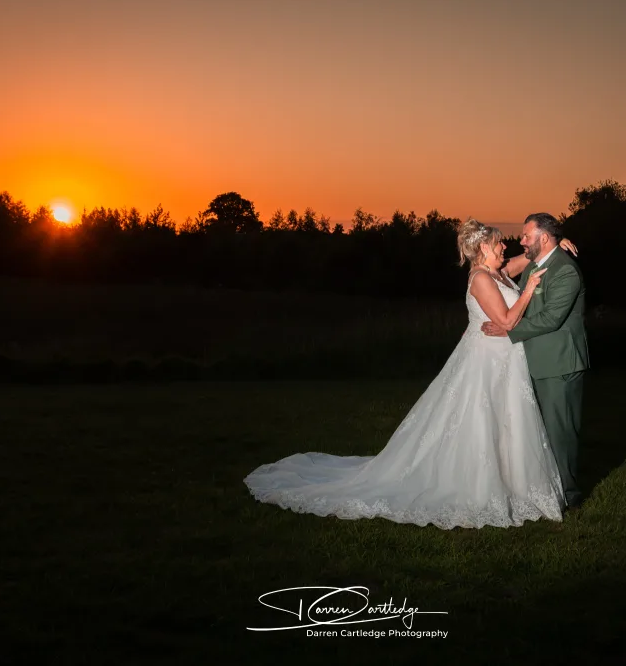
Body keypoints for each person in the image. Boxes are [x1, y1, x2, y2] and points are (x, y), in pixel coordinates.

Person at [244, 218, 578, 529]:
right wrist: (529, 289)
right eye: (498, 243)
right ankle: (477, 485)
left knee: (507, 423)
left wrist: (555, 245)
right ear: (483, 248)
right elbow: (506, 321)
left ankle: (511, 481)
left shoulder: (500, 272)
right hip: (487, 362)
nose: (505, 245)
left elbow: (533, 259)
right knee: (481, 421)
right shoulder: (480, 278)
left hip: (507, 360)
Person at [482, 213, 588, 507]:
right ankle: (544, 490)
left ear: (544, 238)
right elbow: (502, 270)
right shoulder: (535, 265)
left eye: (527, 236)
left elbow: (552, 318)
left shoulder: (565, 271)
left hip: (559, 363)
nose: (521, 240)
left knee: (559, 433)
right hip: (532, 361)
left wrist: (508, 331)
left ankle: (568, 496)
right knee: (538, 433)